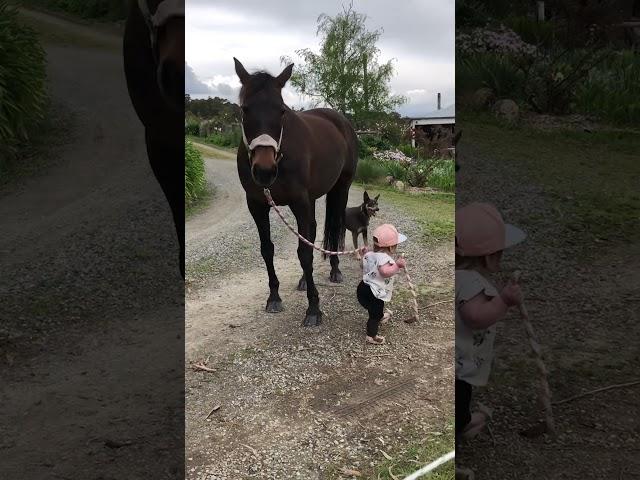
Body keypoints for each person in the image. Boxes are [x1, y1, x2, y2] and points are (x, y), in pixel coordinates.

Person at [455, 202, 526, 448]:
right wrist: (504, 301)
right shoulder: (472, 283)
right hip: (458, 366)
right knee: (459, 397)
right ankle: (462, 425)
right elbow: (476, 317)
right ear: (490, 256)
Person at [356, 223, 407, 345]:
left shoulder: (369, 255)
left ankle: (379, 315)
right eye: (396, 245)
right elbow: (385, 272)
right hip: (374, 292)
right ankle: (371, 336)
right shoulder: (385, 258)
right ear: (391, 248)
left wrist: (365, 255)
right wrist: (397, 265)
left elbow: (362, 265)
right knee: (374, 314)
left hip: (363, 288)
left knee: (374, 310)